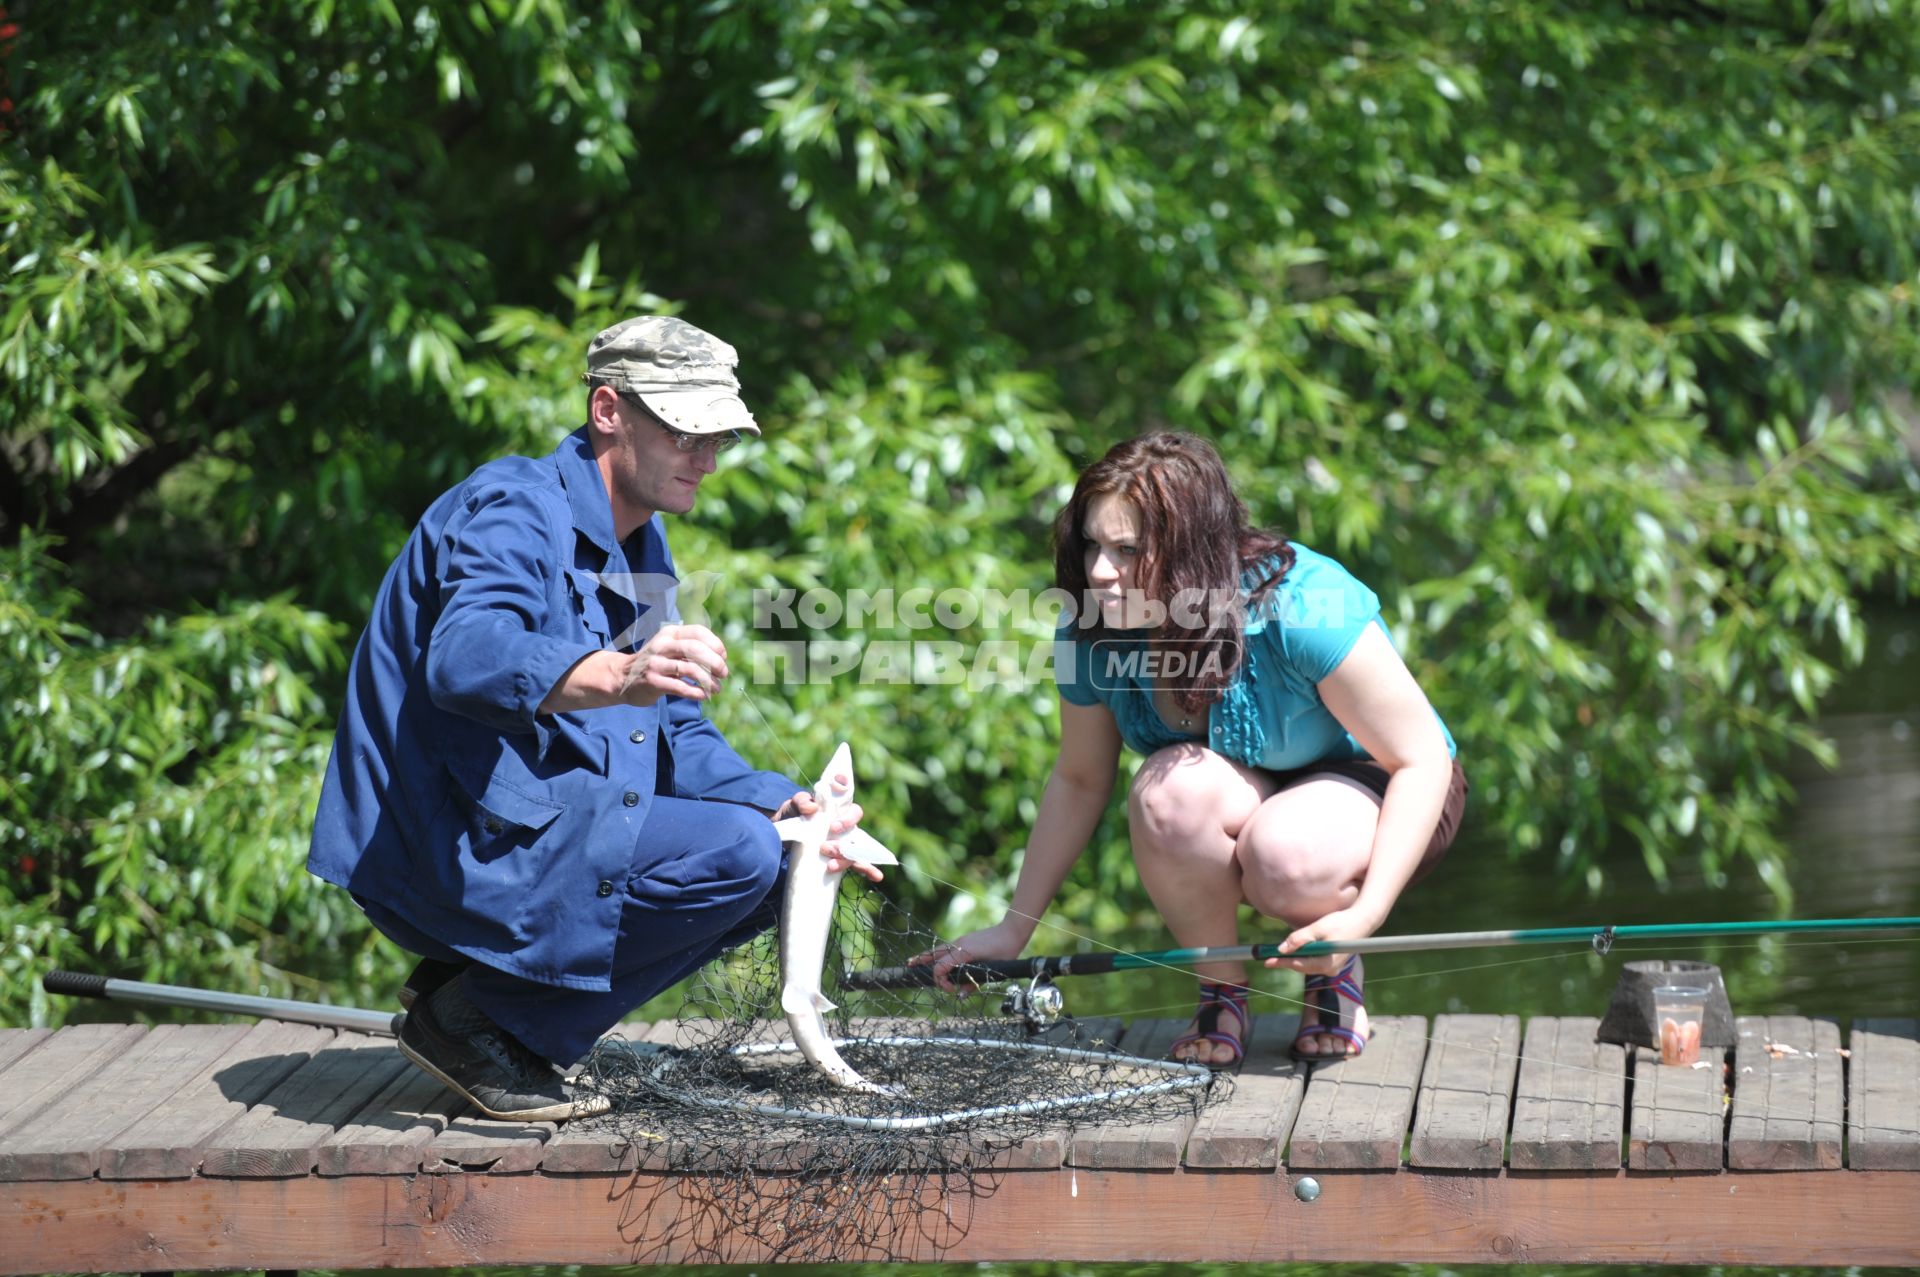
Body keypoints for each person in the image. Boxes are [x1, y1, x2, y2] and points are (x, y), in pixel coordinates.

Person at [309, 316, 879, 1121]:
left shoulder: (643, 545)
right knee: (741, 857)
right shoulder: (511, 505)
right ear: (609, 410)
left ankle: (491, 993)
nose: (707, 458)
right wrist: (620, 670)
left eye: (719, 436)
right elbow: (465, 656)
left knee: (777, 851)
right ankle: (475, 1022)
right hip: (447, 843)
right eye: (688, 431)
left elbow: (677, 735)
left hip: (528, 835)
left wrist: (784, 804)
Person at [914, 432, 1466, 1066]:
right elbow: (1079, 780)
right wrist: (1017, 928)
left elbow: (1422, 760)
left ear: (1192, 553)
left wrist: (1365, 914)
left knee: (1287, 853)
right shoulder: (1093, 623)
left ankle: (1334, 973)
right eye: (1092, 544)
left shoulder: (1307, 600)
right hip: (1251, 789)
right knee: (1166, 794)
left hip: (1390, 785)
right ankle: (1221, 989)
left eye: (1127, 549)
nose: (1099, 570)